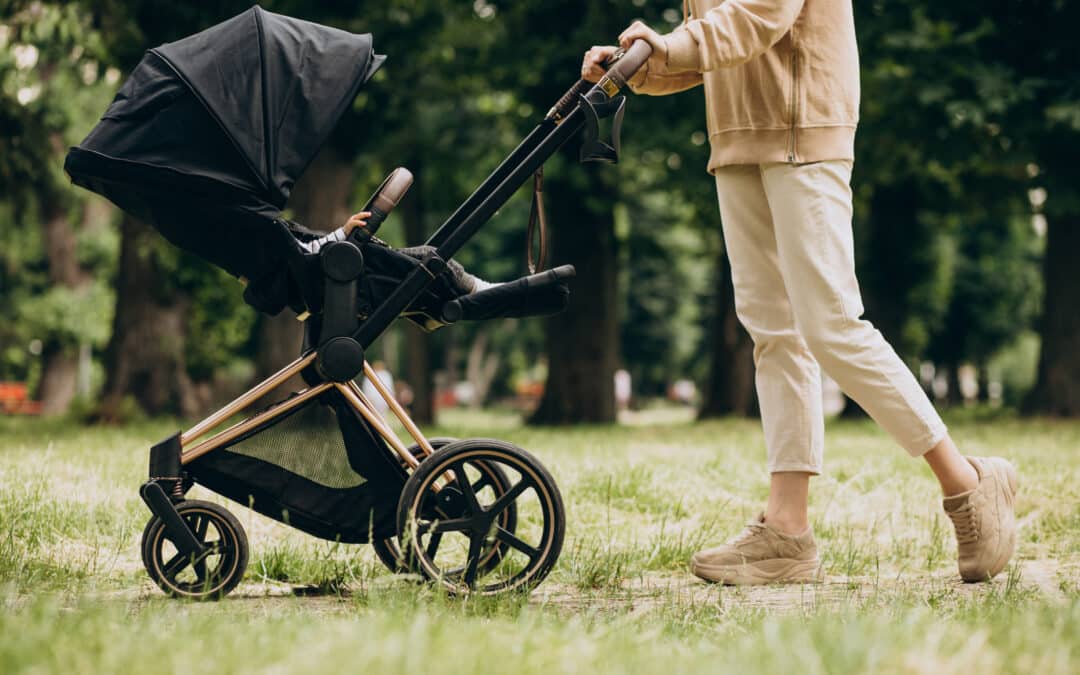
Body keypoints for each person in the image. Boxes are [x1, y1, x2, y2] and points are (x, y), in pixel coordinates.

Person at [582, 1, 1018, 585]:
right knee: (775, 334)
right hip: (736, 140)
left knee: (833, 325)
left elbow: (763, 14)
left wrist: (668, 45)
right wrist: (640, 66)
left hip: (803, 130)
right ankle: (787, 532)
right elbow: (711, 49)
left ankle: (967, 483)